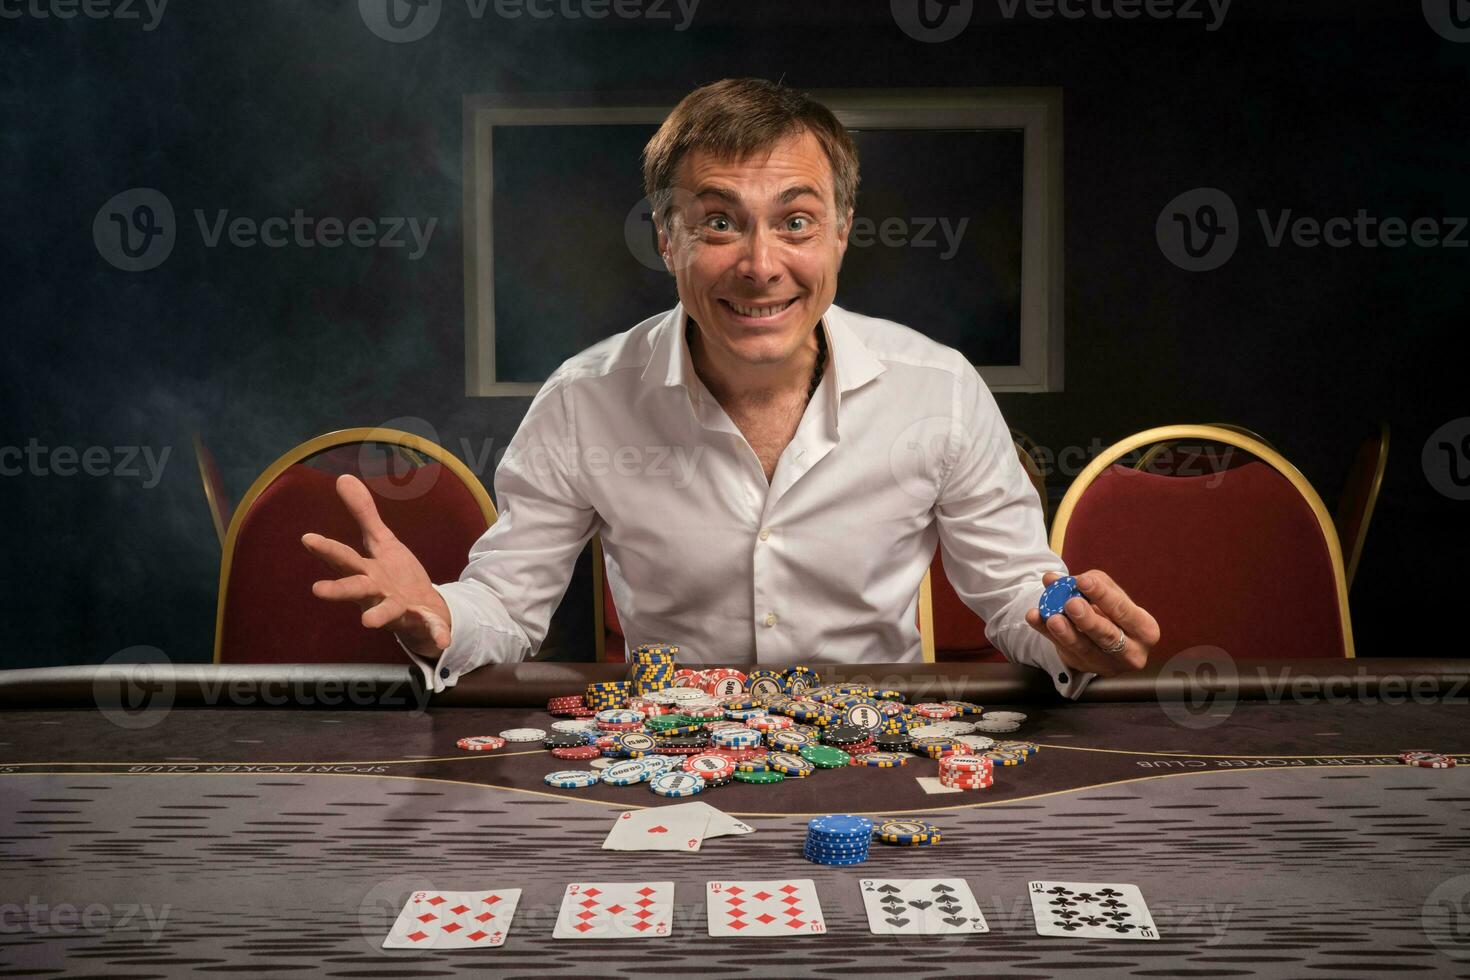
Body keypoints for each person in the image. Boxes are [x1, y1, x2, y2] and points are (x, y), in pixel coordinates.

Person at [302, 77, 1159, 696]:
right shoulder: (583, 399)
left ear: (841, 235)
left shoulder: (938, 389)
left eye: (796, 222)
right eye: (718, 223)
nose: (760, 266)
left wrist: (1066, 622)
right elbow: (506, 602)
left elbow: (1021, 589)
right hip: (664, 761)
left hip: (881, 753)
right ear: (667, 240)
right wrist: (446, 617)